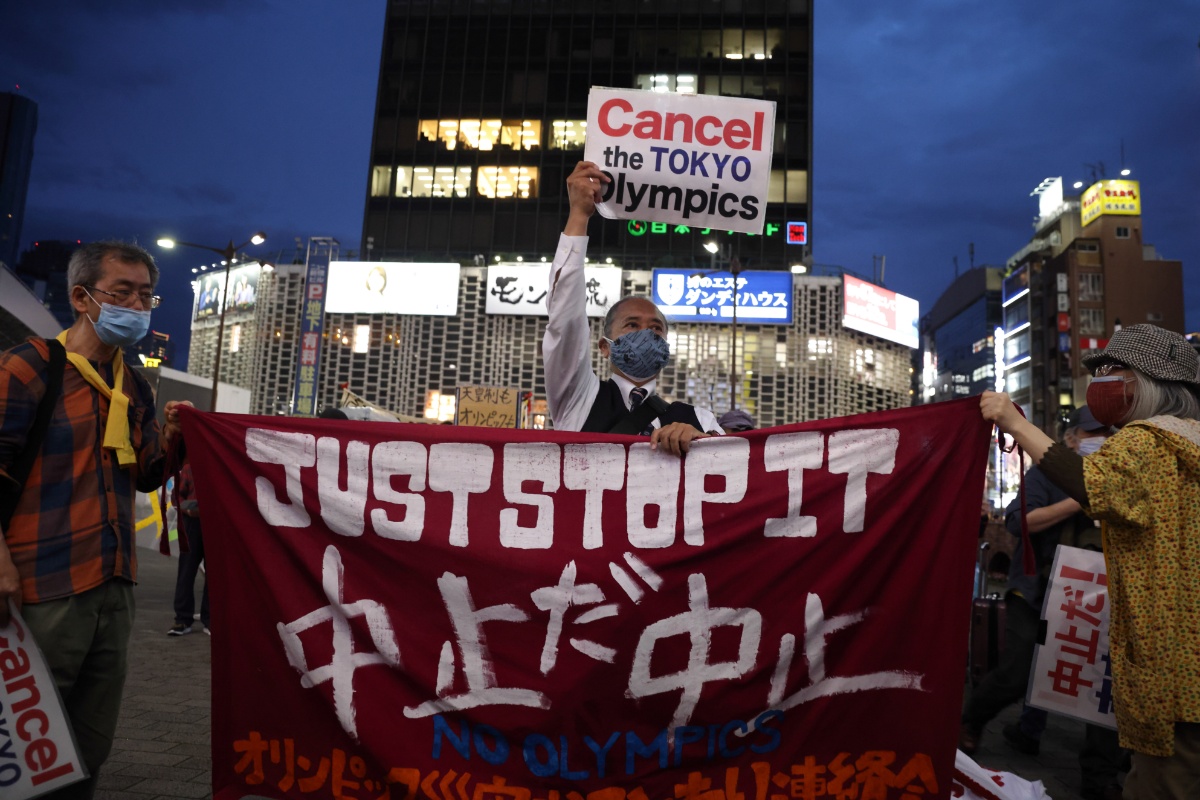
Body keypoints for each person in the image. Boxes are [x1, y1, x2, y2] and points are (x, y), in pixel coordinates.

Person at [0, 240, 188, 799]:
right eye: (122, 292)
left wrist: (173, 436)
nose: (137, 305)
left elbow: (147, 474)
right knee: (28, 742)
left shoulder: (133, 386)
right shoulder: (30, 366)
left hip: (114, 587)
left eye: (146, 295)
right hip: (40, 584)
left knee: (89, 742)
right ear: (82, 298)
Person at [981, 324, 1200, 800]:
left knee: (1163, 783)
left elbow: (1087, 483)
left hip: (1172, 666)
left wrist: (1015, 423)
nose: (1100, 380)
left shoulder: (1147, 442)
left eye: (1112, 369)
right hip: (1188, 659)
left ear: (1147, 382)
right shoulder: (1189, 443)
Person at [543, 161, 723, 456]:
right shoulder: (578, 397)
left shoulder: (699, 419)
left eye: (656, 328)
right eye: (632, 325)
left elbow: (733, 465)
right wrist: (579, 215)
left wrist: (702, 442)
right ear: (605, 346)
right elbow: (565, 316)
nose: (646, 334)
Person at [960, 406, 1109, 758]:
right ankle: (971, 721)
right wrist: (1079, 500)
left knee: (1102, 681)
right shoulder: (1046, 474)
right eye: (1092, 433)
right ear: (1071, 439)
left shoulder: (1118, 474)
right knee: (1020, 668)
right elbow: (1018, 522)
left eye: (1107, 433)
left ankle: (1098, 773)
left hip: (1097, 598)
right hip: (1035, 591)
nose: (1101, 440)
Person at [167, 462, 208, 636]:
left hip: (216, 523)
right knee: (186, 571)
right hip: (192, 523)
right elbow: (176, 496)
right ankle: (182, 619)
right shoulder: (190, 468)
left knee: (215, 576)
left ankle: (210, 619)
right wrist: (189, 509)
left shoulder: (223, 466)